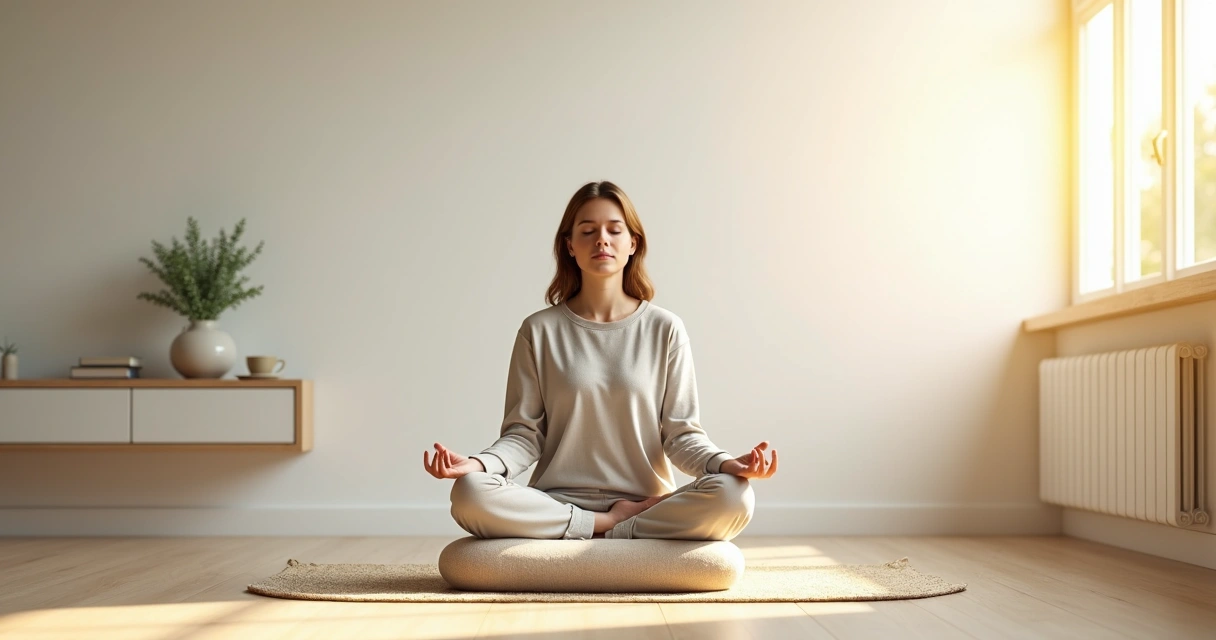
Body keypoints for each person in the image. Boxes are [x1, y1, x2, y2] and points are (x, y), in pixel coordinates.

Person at [423, 180, 777, 541]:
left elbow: (681, 435)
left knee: (734, 495)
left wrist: (726, 464)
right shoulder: (538, 330)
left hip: (646, 502)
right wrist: (478, 464)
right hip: (557, 502)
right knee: (469, 492)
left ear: (633, 243)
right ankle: (607, 525)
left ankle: (615, 524)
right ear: (570, 246)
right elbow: (524, 436)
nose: (602, 240)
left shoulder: (665, 328)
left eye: (614, 230)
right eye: (588, 231)